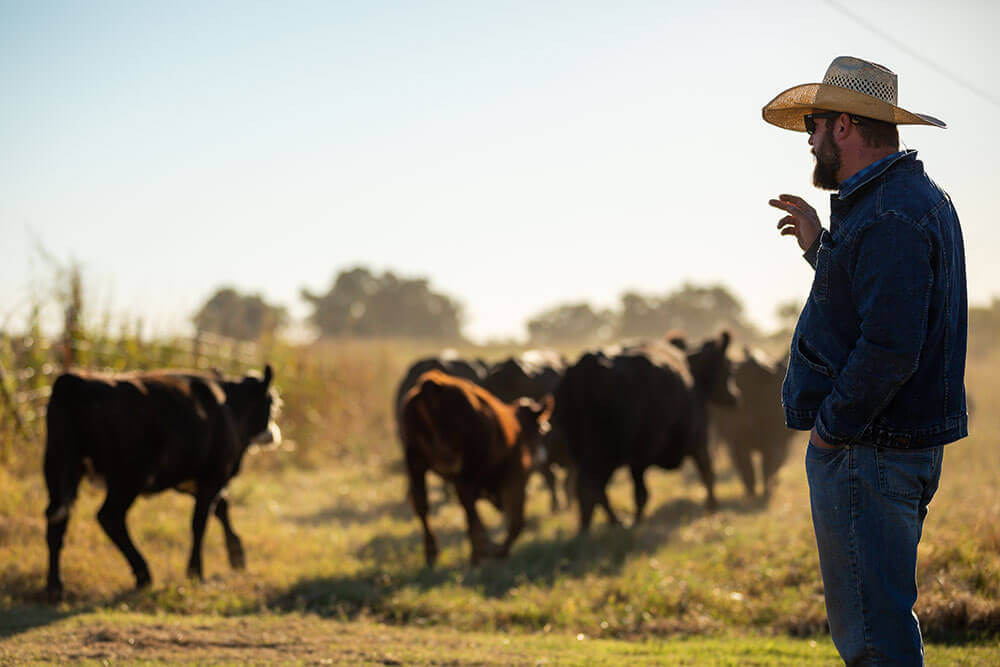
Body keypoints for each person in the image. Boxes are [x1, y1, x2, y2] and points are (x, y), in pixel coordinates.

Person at [762, 56, 968, 665]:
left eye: (814, 128)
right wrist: (818, 247)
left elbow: (889, 346)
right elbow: (873, 307)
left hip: (867, 448)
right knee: (879, 621)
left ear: (844, 126)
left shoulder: (887, 214)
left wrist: (830, 434)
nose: (809, 142)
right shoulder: (903, 201)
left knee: (874, 641)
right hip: (885, 445)